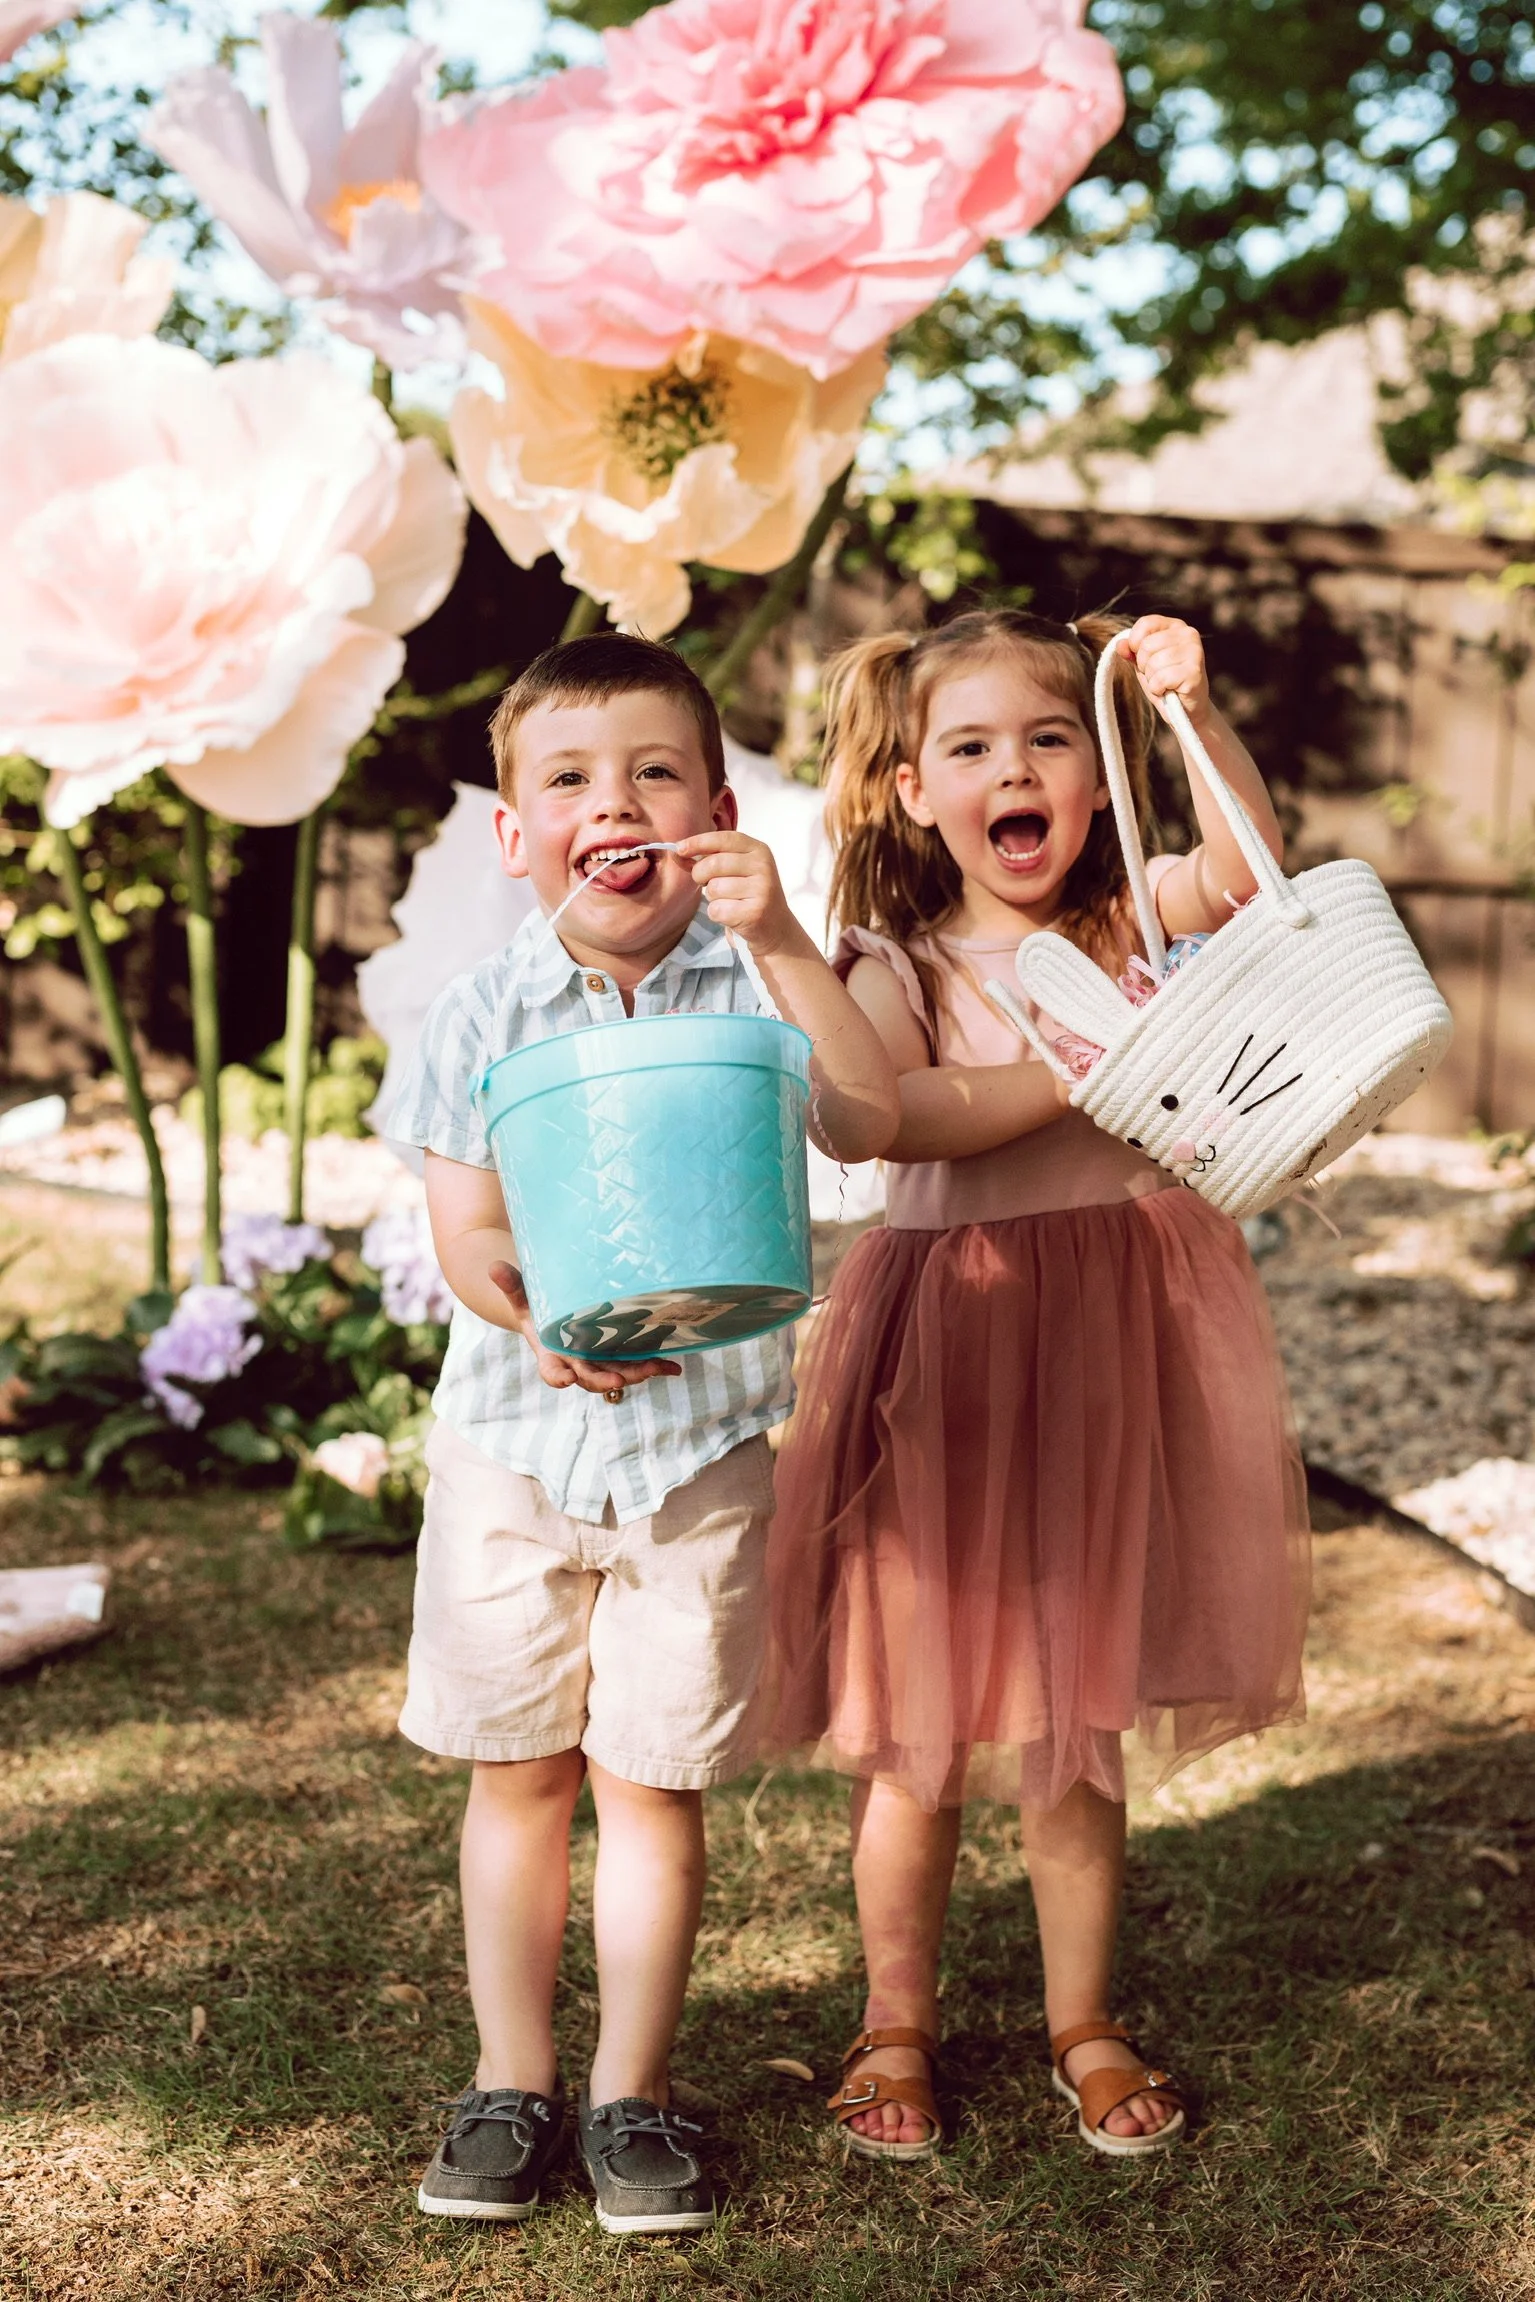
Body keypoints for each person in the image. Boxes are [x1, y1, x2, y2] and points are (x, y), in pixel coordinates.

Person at [765, 608, 1310, 2162]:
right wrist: (1085, 1062)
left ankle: (1081, 2015)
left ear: (1095, 770)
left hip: (1103, 1348)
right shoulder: (896, 960)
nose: (1014, 769)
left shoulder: (1133, 921)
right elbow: (894, 1115)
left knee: (1077, 1711)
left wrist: (1195, 714)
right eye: (972, 747)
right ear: (912, 790)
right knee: (916, 1718)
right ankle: (892, 2019)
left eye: (1048, 738)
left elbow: (1254, 875)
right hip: (953, 1346)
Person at [386, 632, 898, 2234]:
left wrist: (786, 935)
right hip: (513, 1452)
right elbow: (466, 1227)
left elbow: (868, 1117)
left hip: (697, 1462)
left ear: (717, 813)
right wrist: (527, 1306)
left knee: (651, 1782)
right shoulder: (479, 1009)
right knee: (518, 1775)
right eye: (569, 779)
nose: (613, 804)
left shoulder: (761, 984)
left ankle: (629, 2091)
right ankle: (509, 2076)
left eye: (655, 773)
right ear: (514, 833)